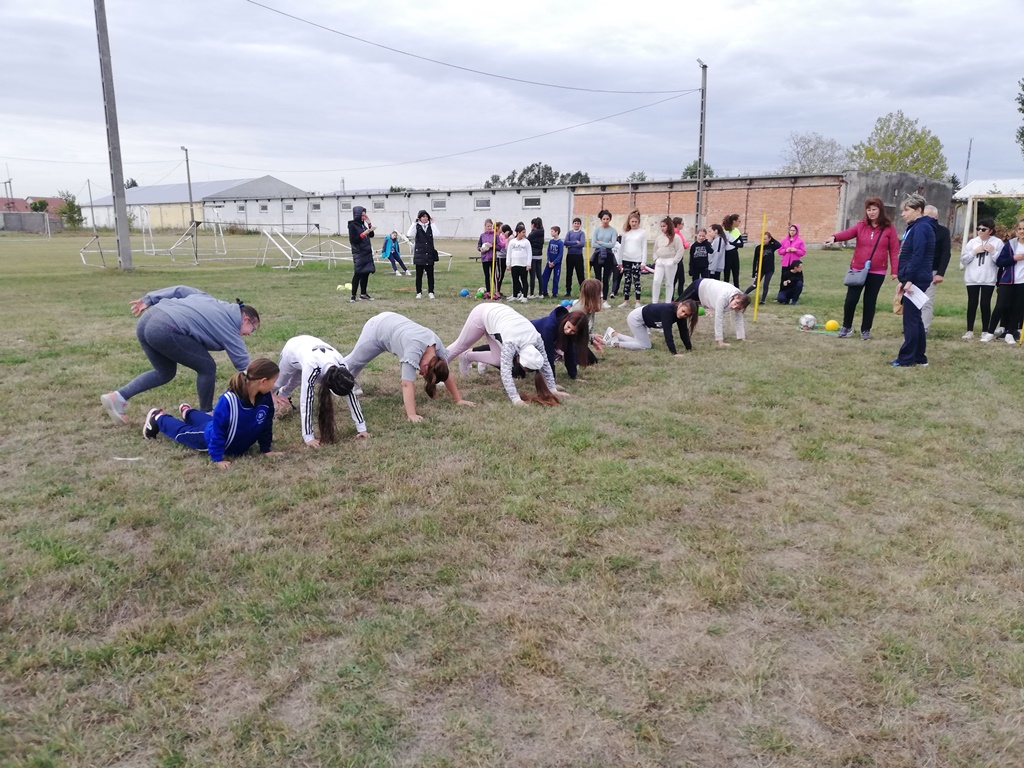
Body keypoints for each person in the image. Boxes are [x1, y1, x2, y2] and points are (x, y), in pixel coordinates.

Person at [101, 285, 259, 424]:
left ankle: (118, 397)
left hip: (147, 319)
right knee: (207, 367)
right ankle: (206, 413)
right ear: (246, 319)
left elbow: (180, 289)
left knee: (164, 372)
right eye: (253, 328)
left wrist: (149, 299)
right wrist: (267, 389)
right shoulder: (229, 326)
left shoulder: (207, 298)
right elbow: (244, 365)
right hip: (165, 327)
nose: (250, 334)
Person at [141, 358, 282, 469]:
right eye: (274, 381)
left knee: (209, 420)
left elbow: (266, 424)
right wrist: (217, 458)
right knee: (183, 432)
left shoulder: (265, 398)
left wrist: (266, 449)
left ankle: (188, 413)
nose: (275, 385)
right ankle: (158, 417)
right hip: (208, 436)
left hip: (227, 436)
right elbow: (218, 429)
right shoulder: (228, 400)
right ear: (263, 381)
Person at [344, 311, 474, 422]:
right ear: (427, 365)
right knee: (354, 362)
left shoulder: (437, 348)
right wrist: (411, 414)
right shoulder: (413, 351)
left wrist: (458, 399)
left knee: (357, 364)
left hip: (393, 321)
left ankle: (349, 380)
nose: (420, 374)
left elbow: (446, 373)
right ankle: (332, 375)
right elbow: (406, 384)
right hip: (377, 328)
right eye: (424, 374)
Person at [446, 303, 563, 406]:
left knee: (497, 360)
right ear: (519, 359)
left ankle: (467, 356)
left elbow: (545, 362)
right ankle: (439, 370)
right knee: (460, 345)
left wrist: (552, 388)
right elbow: (506, 373)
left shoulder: (537, 339)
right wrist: (516, 399)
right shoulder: (511, 344)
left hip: (497, 322)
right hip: (483, 314)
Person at [825, 197, 900, 340]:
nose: (871, 212)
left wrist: (894, 271)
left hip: (877, 271)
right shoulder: (861, 225)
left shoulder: (889, 228)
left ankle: (865, 330)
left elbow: (894, 250)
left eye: (874, 209)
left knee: (870, 301)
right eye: (869, 209)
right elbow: (848, 233)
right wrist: (834, 238)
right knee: (851, 300)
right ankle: (846, 327)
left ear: (880, 210)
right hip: (857, 269)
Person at [273, 335, 367, 446]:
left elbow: (351, 394)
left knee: (296, 380)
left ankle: (283, 398)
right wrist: (308, 437)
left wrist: (362, 428)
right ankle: (267, 401)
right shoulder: (312, 367)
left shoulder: (341, 366)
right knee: (278, 382)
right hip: (293, 348)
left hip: (309, 350)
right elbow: (306, 400)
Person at [891, 194, 935, 367]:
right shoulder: (915, 227)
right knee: (915, 318)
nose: (903, 214)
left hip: (916, 278)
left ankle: (906, 358)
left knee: (910, 320)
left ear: (918, 210)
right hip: (914, 277)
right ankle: (919, 357)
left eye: (907, 210)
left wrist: (909, 279)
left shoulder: (921, 228)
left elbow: (918, 255)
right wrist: (903, 279)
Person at [605, 300, 698, 356]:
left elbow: (683, 332)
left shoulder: (680, 316)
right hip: (636, 318)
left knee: (640, 343)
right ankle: (614, 343)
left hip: (643, 320)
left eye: (686, 315)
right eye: (683, 311)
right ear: (680, 305)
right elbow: (667, 333)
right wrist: (674, 353)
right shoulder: (668, 311)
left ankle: (614, 334)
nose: (683, 315)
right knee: (645, 346)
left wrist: (689, 348)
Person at [961, 218, 1002, 340]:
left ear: (990, 231)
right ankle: (969, 330)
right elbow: (964, 260)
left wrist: (993, 252)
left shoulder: (997, 242)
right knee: (972, 303)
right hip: (972, 278)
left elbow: (1000, 261)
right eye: (978, 228)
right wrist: (974, 252)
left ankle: (985, 330)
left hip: (988, 278)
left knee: (985, 304)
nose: (980, 231)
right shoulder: (972, 242)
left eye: (983, 229)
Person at [679, 277, 751, 346]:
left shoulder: (741, 299)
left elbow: (739, 319)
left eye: (738, 307)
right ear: (736, 297)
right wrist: (720, 341)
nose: (734, 307)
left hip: (707, 294)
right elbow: (718, 318)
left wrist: (742, 337)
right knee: (678, 305)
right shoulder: (723, 296)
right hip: (699, 287)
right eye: (735, 303)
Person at [531, 306, 591, 380]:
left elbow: (570, 352)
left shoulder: (567, 331)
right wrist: (551, 380)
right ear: (566, 320)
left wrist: (573, 375)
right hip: (526, 338)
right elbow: (548, 355)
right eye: (568, 327)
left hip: (539, 342)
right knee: (525, 368)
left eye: (573, 331)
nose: (568, 331)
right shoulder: (549, 327)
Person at [989, 217, 1024, 343]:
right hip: (1008, 280)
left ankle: (1010, 333)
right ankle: (989, 332)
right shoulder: (1011, 244)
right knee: (1000, 306)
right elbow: (1000, 262)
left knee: (1017, 308)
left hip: (1022, 283)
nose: (1022, 231)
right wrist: (1014, 258)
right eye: (1020, 229)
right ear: (1016, 230)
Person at [921, 205, 951, 334]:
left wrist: (940, 273)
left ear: (936, 217)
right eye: (924, 216)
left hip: (932, 270)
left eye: (929, 216)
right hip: (917, 269)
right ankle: (913, 326)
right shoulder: (918, 230)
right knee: (914, 299)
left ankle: (924, 327)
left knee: (927, 300)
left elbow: (946, 253)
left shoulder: (943, 232)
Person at [570, 277, 608, 363]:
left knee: (592, 361)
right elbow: (574, 333)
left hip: (577, 341)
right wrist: (592, 337)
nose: (601, 295)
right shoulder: (580, 311)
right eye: (600, 292)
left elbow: (588, 328)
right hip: (570, 341)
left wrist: (592, 340)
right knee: (589, 361)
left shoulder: (590, 307)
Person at [407, 209, 441, 300]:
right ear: (420, 218)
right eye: (423, 217)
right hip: (420, 254)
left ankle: (431, 292)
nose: (425, 218)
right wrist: (414, 223)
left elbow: (437, 234)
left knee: (430, 275)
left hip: (429, 254)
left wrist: (433, 223)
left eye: (426, 216)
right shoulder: (417, 227)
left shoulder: (430, 227)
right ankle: (419, 292)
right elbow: (409, 234)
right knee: (419, 275)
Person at [617, 209, 647, 309]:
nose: (634, 223)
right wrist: (620, 261)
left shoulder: (642, 233)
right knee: (627, 280)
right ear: (629, 222)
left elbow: (644, 247)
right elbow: (622, 248)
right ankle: (626, 300)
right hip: (626, 259)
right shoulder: (625, 233)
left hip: (637, 260)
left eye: (636, 221)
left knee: (636, 280)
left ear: (638, 222)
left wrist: (643, 262)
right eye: (632, 221)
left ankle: (637, 301)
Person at [651, 216, 684, 304]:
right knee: (656, 281)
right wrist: (656, 259)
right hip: (660, 261)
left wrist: (674, 261)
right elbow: (655, 250)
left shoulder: (676, 237)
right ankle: (654, 302)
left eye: (664, 226)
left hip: (670, 262)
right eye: (661, 226)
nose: (662, 228)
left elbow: (680, 250)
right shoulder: (659, 238)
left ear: (669, 226)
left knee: (669, 283)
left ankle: (668, 302)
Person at [348, 206, 375, 302]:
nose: (364, 217)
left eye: (365, 215)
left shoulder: (363, 225)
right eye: (362, 215)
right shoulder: (352, 225)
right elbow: (353, 240)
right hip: (359, 253)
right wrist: (363, 234)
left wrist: (369, 224)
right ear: (357, 215)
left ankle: (363, 294)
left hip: (366, 252)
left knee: (366, 273)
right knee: (358, 273)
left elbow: (371, 235)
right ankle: (353, 295)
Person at [747, 231, 782, 304]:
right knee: (755, 285)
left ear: (769, 239)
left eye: (765, 239)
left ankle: (762, 300)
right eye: (762, 239)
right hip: (760, 269)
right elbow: (755, 260)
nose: (763, 240)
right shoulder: (758, 248)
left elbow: (779, 245)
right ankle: (743, 294)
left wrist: (772, 239)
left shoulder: (772, 246)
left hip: (769, 269)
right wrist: (754, 272)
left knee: (766, 284)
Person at [592, 209, 617, 307]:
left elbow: (612, 244)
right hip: (597, 255)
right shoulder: (597, 230)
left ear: (610, 219)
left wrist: (600, 242)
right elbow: (593, 244)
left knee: (606, 278)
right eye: (604, 219)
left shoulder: (613, 231)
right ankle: (597, 300)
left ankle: (605, 300)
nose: (605, 221)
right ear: (601, 219)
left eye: (607, 219)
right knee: (597, 278)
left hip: (608, 255)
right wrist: (605, 244)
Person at [682, 228, 712, 299]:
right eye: (700, 236)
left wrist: (706, 243)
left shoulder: (707, 244)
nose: (701, 237)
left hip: (704, 267)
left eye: (703, 236)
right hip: (696, 267)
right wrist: (691, 268)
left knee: (705, 282)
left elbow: (711, 251)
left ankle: (705, 296)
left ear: (705, 236)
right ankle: (695, 296)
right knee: (695, 282)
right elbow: (691, 258)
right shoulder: (694, 246)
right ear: (697, 235)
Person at [506, 222, 532, 303]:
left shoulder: (526, 242)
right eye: (522, 232)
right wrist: (508, 264)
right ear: (518, 232)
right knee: (515, 280)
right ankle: (515, 295)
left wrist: (528, 264)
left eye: (524, 232)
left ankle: (525, 296)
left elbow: (529, 253)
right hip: (514, 264)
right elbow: (509, 253)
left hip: (523, 264)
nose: (524, 234)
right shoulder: (512, 242)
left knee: (524, 280)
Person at [563, 217, 587, 298]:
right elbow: (565, 242)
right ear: (573, 224)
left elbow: (582, 244)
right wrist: (575, 242)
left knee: (580, 274)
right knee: (569, 274)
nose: (576, 225)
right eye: (575, 223)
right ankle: (568, 291)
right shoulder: (569, 233)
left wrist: (570, 245)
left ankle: (583, 291)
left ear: (580, 225)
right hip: (570, 256)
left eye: (578, 223)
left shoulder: (581, 233)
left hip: (578, 256)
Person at [540, 225, 564, 298]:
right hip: (549, 263)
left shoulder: (560, 243)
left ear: (556, 232)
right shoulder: (551, 241)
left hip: (557, 264)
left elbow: (560, 254)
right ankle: (544, 291)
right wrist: (549, 261)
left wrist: (554, 262)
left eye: (552, 231)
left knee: (556, 278)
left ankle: (554, 293)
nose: (551, 233)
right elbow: (548, 252)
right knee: (544, 276)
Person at [722, 213, 743, 288]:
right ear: (734, 221)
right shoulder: (724, 231)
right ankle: (725, 290)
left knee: (736, 274)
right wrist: (735, 243)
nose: (739, 223)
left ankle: (737, 290)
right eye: (739, 221)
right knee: (726, 275)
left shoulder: (736, 231)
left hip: (734, 253)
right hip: (726, 254)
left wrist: (732, 243)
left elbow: (741, 244)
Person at [477, 219, 496, 298]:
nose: (489, 228)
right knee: (486, 276)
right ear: (485, 226)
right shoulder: (482, 235)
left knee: (493, 276)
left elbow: (498, 247)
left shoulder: (495, 235)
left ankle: (496, 291)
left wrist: (492, 246)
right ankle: (488, 291)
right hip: (485, 259)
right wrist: (480, 249)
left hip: (492, 259)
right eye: (488, 226)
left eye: (490, 226)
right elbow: (478, 246)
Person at [527, 217, 545, 298]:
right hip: (539, 255)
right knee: (539, 275)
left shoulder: (533, 233)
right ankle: (541, 293)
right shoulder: (542, 231)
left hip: (533, 255)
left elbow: (527, 240)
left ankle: (531, 293)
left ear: (534, 225)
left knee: (532, 276)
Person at [493, 222, 511, 299]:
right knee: (500, 274)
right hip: (500, 257)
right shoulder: (498, 236)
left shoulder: (503, 235)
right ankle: (497, 291)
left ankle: (498, 290)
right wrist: (506, 239)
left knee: (502, 274)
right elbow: (502, 245)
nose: (502, 228)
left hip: (505, 256)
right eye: (501, 227)